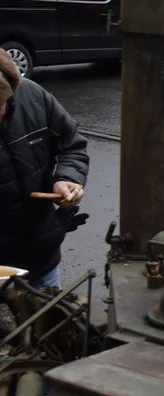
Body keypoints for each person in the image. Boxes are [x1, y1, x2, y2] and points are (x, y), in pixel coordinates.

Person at [0, 49, 89, 289]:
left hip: (41, 255)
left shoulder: (34, 97)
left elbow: (71, 144)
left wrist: (67, 178)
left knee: (47, 322)